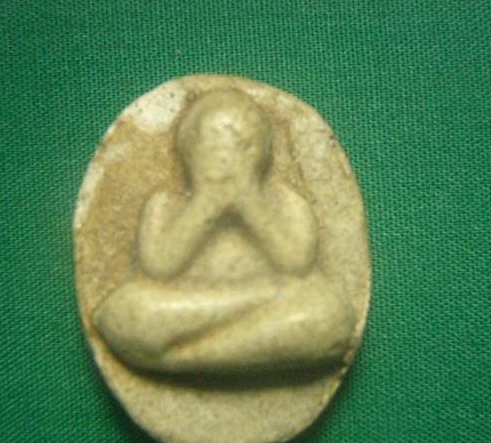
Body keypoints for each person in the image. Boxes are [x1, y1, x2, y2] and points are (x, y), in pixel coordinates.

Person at [93, 90, 354, 373]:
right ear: (188, 152)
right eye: (211, 147)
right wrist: (206, 205)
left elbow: (297, 264)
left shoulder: (286, 201)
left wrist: (248, 204)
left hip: (263, 302)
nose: (226, 158)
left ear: (263, 154)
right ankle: (218, 355)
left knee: (327, 312)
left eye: (243, 147)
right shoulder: (164, 203)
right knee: (127, 311)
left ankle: (186, 358)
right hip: (187, 308)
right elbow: (159, 267)